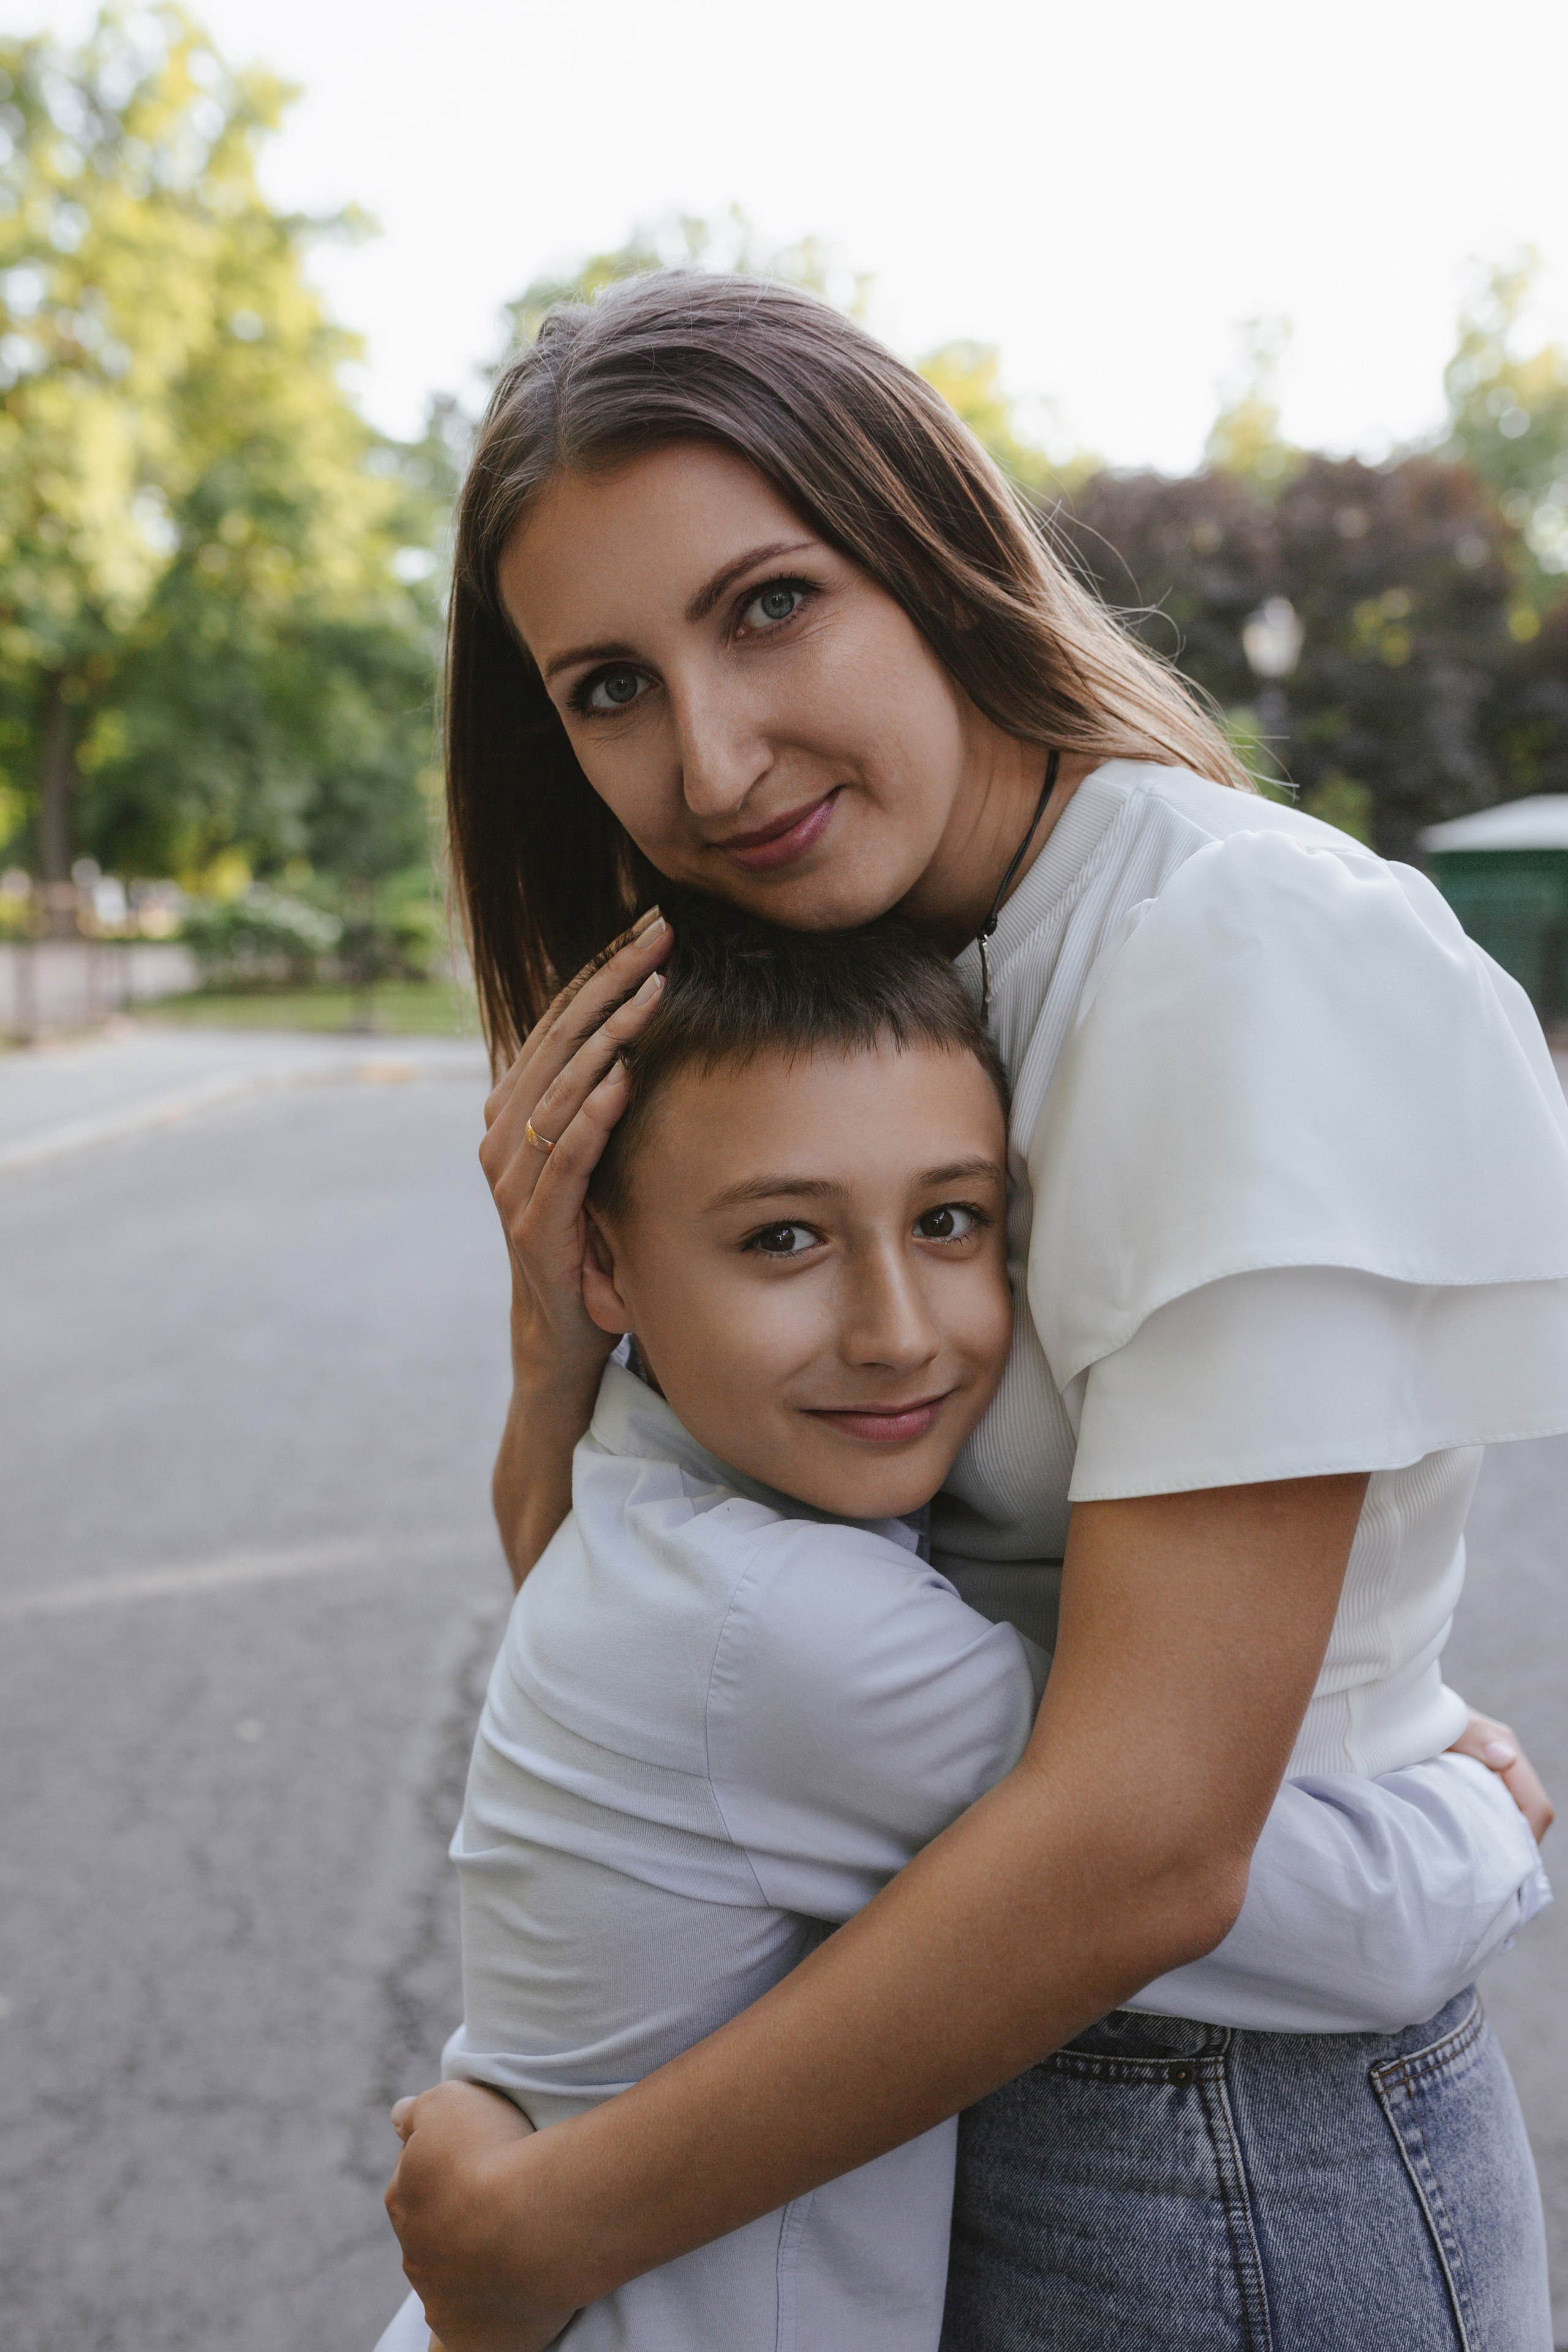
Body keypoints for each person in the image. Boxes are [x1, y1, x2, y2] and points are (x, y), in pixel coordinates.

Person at [387, 273, 1567, 2351]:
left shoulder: (1223, 949)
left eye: (768, 606)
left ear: (933, 552)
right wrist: (554, 1355)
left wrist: (552, 2224)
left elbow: (1145, 1849)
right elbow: (636, 1670)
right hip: (892, 2115)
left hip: (1214, 2164)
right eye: (608, 688)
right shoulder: (821, 1008)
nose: (713, 755)